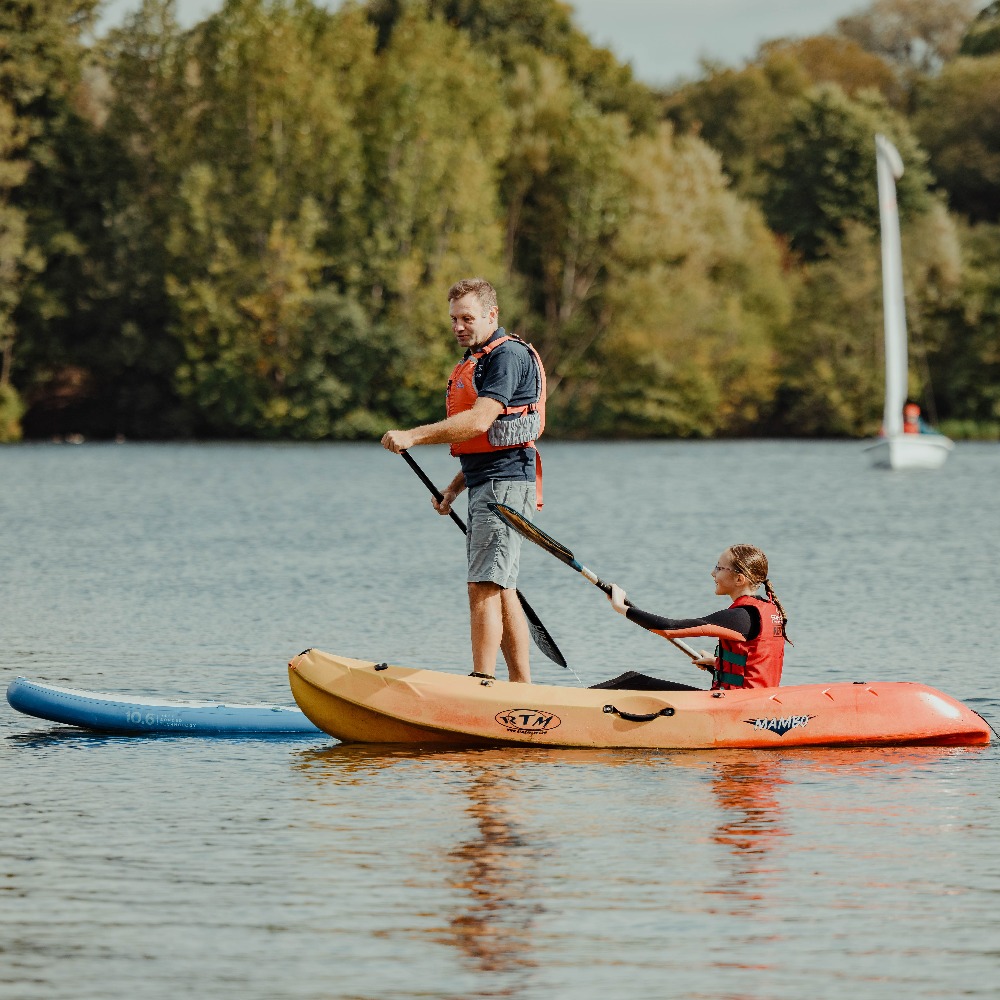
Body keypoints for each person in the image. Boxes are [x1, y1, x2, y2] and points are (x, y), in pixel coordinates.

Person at [381, 278, 545, 684]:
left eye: (467, 318)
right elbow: (487, 445)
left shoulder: (506, 357)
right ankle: (521, 689)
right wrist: (453, 489)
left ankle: (482, 683)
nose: (459, 326)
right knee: (501, 587)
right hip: (492, 482)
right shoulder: (482, 358)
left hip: (505, 487)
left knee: (484, 585)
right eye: (454, 318)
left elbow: (479, 421)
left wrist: (413, 436)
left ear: (492, 315)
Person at [606, 544, 790, 690]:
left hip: (733, 708)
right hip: (756, 705)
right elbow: (759, 663)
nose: (713, 573)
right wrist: (719, 663)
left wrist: (621, 608)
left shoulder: (741, 616)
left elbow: (668, 628)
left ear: (739, 579)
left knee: (632, 682)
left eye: (719, 568)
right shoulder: (769, 610)